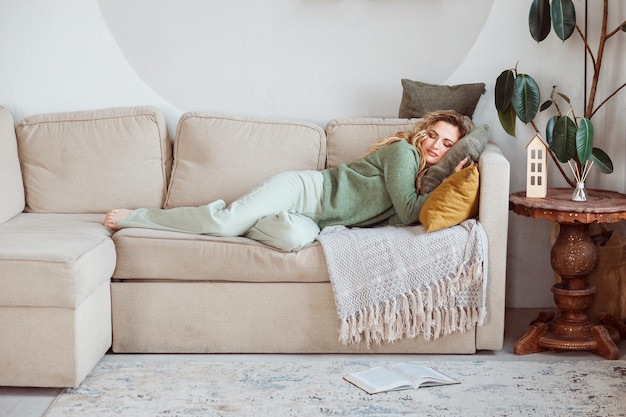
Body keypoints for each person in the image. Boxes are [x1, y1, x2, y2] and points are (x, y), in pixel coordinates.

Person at [104, 110, 474, 251]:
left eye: (447, 144)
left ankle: (239, 223)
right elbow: (410, 212)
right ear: (422, 131)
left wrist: (446, 184)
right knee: (224, 223)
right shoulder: (403, 154)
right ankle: (137, 216)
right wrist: (449, 187)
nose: (435, 146)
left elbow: (401, 215)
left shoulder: (417, 176)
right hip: (302, 190)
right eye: (433, 135)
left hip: (313, 222)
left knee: (296, 239)